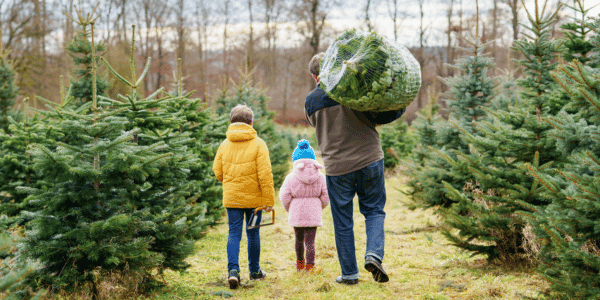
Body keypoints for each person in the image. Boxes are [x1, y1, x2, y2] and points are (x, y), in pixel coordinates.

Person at [305, 52, 405, 285]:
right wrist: (400, 105)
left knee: (342, 221)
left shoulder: (311, 101)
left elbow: (315, 124)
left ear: (314, 76)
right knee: (374, 211)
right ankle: (373, 255)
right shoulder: (353, 90)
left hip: (337, 167)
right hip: (369, 159)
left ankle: (349, 274)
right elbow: (383, 114)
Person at [212, 104, 275, 289]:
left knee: (234, 233)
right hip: (255, 202)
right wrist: (269, 201)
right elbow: (265, 175)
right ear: (251, 122)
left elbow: (217, 172)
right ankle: (255, 272)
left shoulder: (224, 145)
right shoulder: (259, 144)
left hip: (233, 199)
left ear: (231, 122)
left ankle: (233, 272)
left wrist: (230, 181)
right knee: (253, 233)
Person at [279, 139, 329, 273]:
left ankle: (300, 265)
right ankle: (310, 267)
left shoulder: (291, 177)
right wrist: (320, 206)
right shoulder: (321, 176)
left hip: (297, 212)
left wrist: (289, 207)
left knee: (299, 240)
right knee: (310, 242)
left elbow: (284, 195)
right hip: (314, 212)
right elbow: (326, 195)